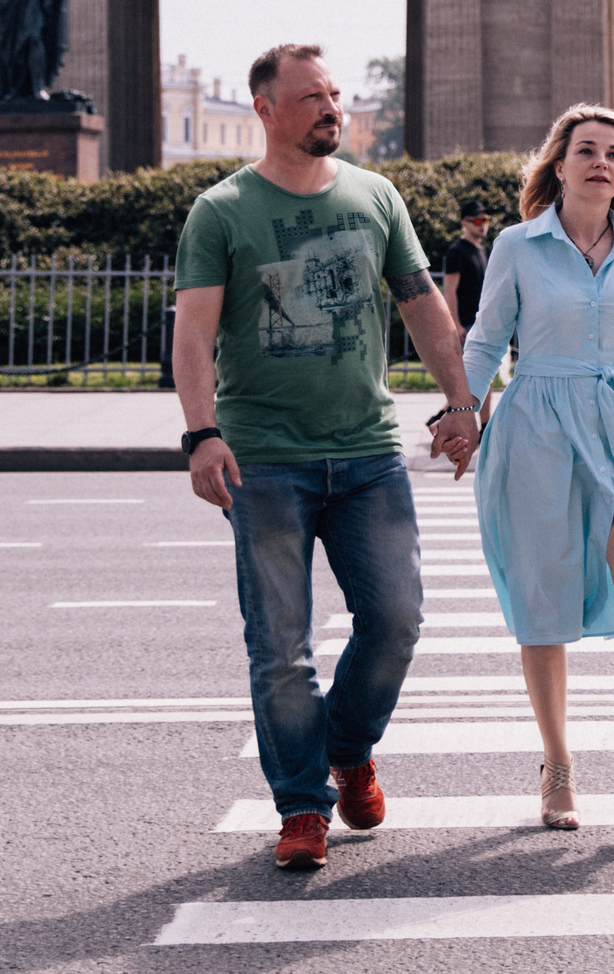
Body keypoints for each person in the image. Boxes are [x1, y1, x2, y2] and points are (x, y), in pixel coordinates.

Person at [172, 43, 483, 874]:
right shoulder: (222, 210)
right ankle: (302, 804)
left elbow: (422, 304)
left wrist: (460, 401)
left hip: (369, 452)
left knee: (397, 620)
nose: (331, 107)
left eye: (335, 93)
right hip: (265, 460)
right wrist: (201, 432)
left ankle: (348, 746)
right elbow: (194, 331)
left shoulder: (376, 195)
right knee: (281, 646)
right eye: (311, 96)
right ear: (265, 109)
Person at [463, 104, 614, 849]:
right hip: (538, 427)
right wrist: (461, 412)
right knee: (543, 599)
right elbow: (485, 340)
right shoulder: (517, 245)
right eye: (587, 151)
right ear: (560, 166)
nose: (602, 162)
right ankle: (558, 765)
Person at [441, 198, 493, 331]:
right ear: (464, 223)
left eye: (485, 220)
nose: (482, 225)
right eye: (477, 221)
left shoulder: (483, 251)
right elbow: (449, 290)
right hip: (466, 325)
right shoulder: (456, 252)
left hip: (483, 322)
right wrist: (456, 324)